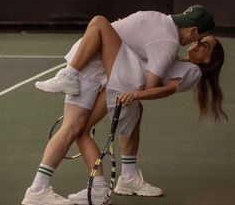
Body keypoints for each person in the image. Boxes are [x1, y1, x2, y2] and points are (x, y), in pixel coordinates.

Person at [22, 13, 227, 205]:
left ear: (209, 60)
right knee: (79, 129)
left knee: (84, 127)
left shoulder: (189, 68)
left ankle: (96, 186)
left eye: (204, 45)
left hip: (118, 77)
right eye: (201, 40)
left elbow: (162, 89)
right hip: (107, 72)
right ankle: (58, 188)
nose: (197, 43)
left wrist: (136, 93)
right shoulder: (171, 51)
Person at [35, 5, 215, 96]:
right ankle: (69, 75)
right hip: (91, 64)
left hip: (95, 65)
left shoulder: (159, 19)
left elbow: (149, 85)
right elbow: (150, 85)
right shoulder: (168, 42)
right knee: (75, 131)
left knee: (74, 131)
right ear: (192, 31)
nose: (198, 42)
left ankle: (69, 74)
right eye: (201, 37)